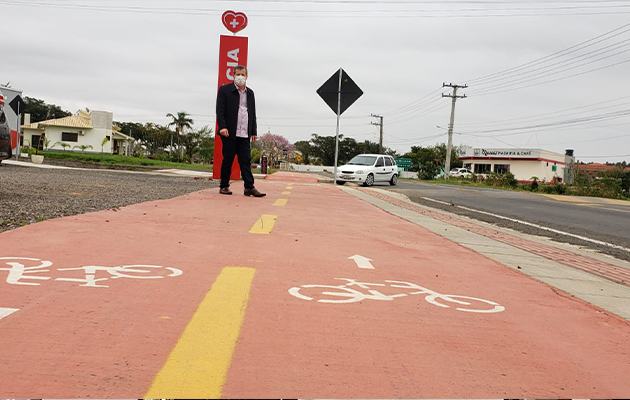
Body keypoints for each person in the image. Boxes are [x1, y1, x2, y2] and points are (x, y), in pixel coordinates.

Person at [215, 65, 266, 197]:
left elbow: (252, 113)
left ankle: (249, 187)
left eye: (243, 75)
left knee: (245, 160)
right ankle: (224, 186)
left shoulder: (250, 93)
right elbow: (219, 110)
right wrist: (222, 127)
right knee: (228, 159)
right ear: (233, 76)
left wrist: (253, 131)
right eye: (238, 74)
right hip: (229, 132)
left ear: (247, 77)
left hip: (244, 133)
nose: (240, 77)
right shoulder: (225, 90)